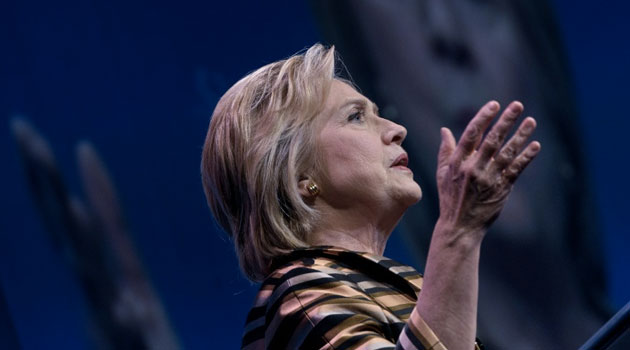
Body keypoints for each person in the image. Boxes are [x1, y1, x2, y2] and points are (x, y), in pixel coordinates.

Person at [200, 44, 540, 350]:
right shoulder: (301, 293)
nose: (396, 129)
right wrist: (459, 231)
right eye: (356, 117)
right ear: (299, 175)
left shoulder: (390, 283)